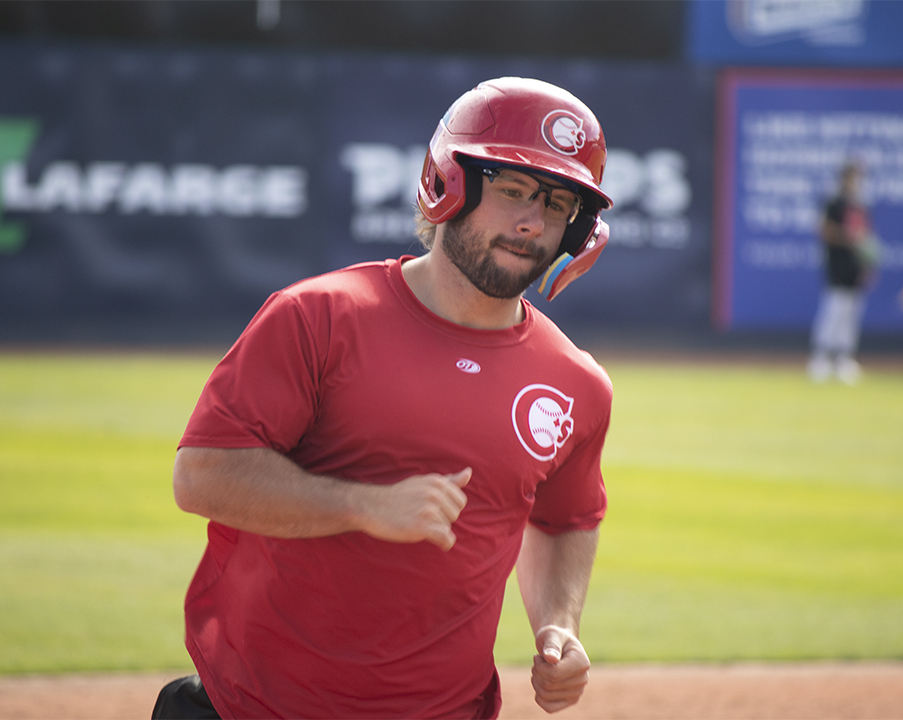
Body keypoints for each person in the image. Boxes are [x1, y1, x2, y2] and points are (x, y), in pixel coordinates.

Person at [153, 77, 614, 720]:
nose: (532, 222)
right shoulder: (319, 317)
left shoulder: (576, 383)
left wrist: (558, 625)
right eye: (512, 189)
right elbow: (202, 475)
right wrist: (362, 504)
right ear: (450, 182)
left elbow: (564, 520)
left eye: (558, 204)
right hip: (254, 706)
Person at [807, 162, 879, 384]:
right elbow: (825, 230)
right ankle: (821, 357)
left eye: (858, 178)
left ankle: (844, 358)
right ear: (843, 179)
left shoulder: (860, 206)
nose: (855, 182)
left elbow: (866, 239)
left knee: (852, 312)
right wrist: (848, 236)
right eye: (851, 178)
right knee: (835, 308)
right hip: (838, 263)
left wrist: (868, 266)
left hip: (855, 265)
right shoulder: (834, 203)